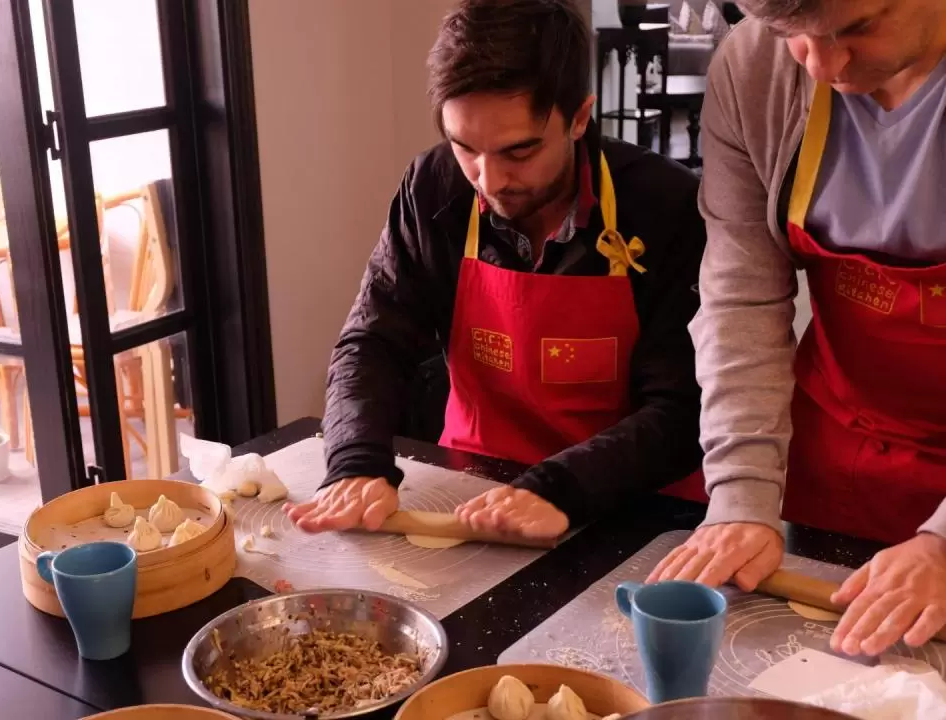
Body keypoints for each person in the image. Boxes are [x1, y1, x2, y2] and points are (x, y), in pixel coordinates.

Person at [285, 0, 706, 542]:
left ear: (579, 116)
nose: (490, 180)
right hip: (470, 489)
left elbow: (684, 411)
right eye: (465, 148)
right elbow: (372, 341)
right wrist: (356, 457)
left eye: (519, 151)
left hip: (632, 504)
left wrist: (559, 487)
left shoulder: (666, 205)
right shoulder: (434, 187)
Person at [649, 0, 946, 657]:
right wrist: (742, 498)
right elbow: (741, 299)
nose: (824, 66)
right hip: (835, 450)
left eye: (859, 27)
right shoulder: (754, 70)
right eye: (794, 35)